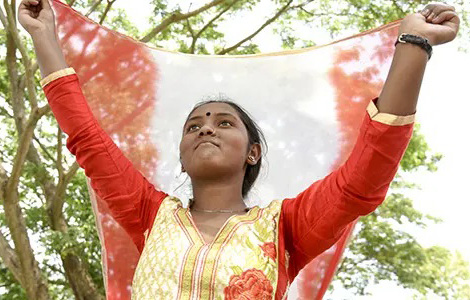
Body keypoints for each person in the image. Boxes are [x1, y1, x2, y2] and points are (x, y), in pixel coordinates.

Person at [19, 0, 459, 299]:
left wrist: (414, 45)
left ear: (253, 153)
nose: (205, 129)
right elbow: (88, 141)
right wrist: (44, 36)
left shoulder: (285, 227)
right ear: (183, 154)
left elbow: (362, 179)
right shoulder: (149, 215)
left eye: (223, 122)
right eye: (194, 125)